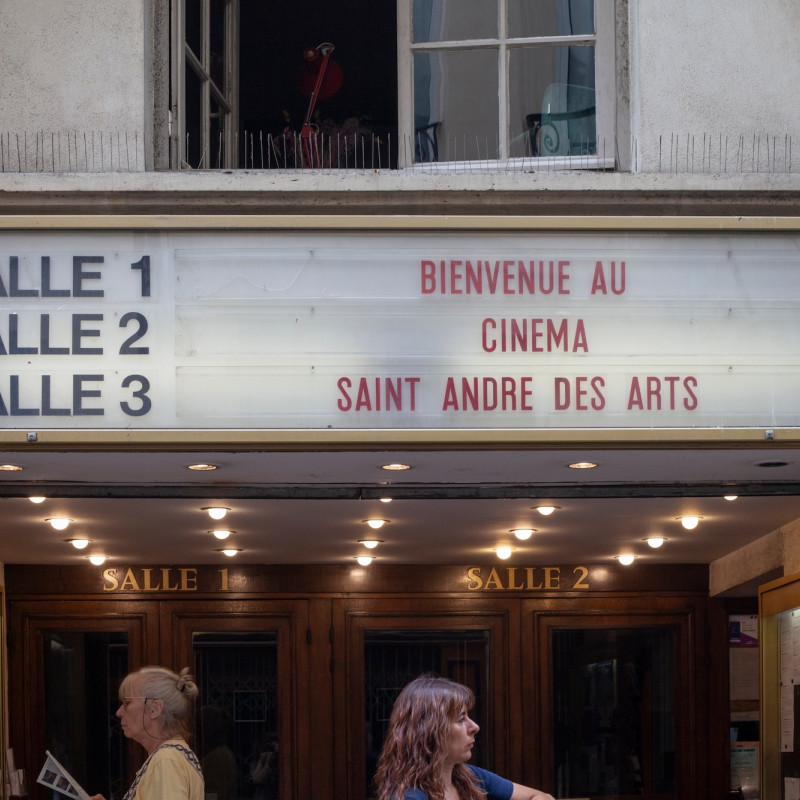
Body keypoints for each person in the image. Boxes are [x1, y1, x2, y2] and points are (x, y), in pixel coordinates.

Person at [374, 675, 555, 800]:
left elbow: (541, 796)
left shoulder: (471, 776)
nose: (474, 727)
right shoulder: (411, 796)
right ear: (430, 731)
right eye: (461, 719)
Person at [90, 666, 204, 800]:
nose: (119, 712)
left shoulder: (166, 760)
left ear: (155, 709)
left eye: (127, 702)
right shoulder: (172, 755)